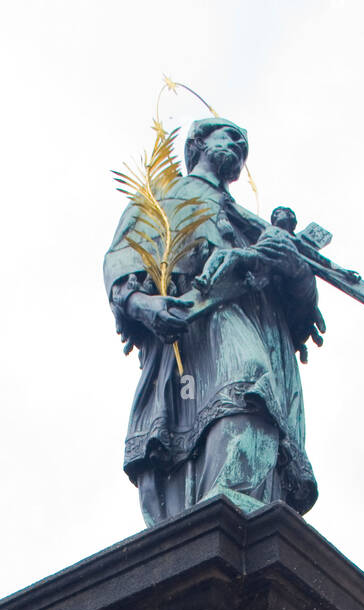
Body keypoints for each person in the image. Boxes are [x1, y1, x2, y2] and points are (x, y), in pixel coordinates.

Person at [104, 117, 325, 527]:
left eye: (245, 143)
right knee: (247, 390)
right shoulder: (166, 196)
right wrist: (144, 304)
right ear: (197, 143)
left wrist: (294, 268)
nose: (240, 146)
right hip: (199, 327)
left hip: (262, 329)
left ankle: (234, 529)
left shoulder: (254, 224)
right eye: (230, 136)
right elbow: (121, 260)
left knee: (258, 407)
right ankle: (213, 532)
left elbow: (303, 314)